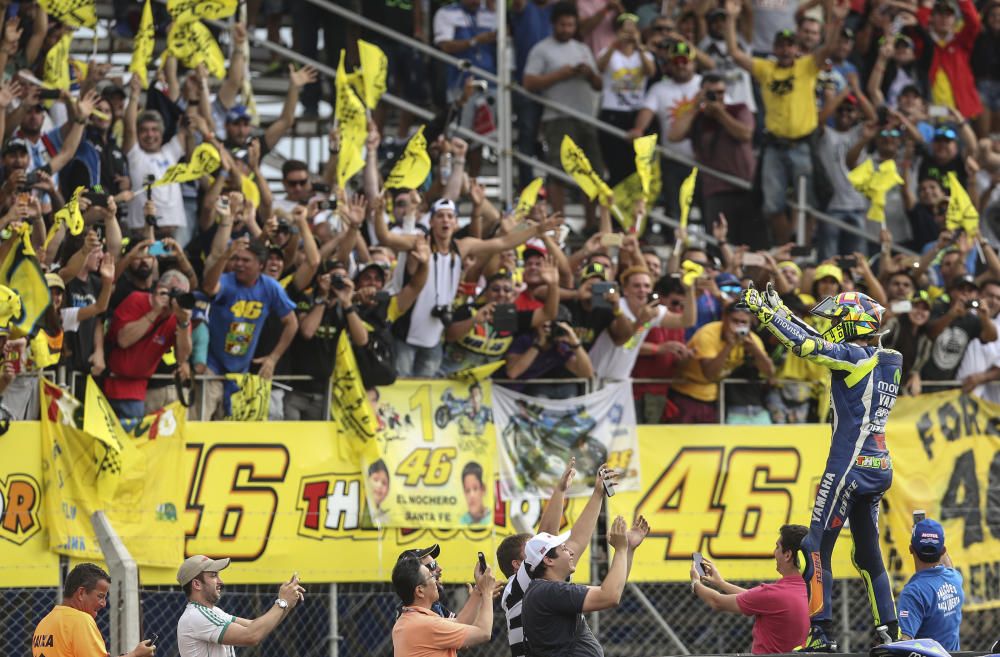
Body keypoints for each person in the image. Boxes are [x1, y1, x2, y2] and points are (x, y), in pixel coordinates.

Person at [742, 284, 902, 649]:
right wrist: (783, 310)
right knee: (867, 554)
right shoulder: (888, 357)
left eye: (835, 318)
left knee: (813, 546)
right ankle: (890, 631)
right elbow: (819, 339)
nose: (830, 323)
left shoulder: (854, 358)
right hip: (879, 465)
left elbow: (808, 346)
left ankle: (820, 634)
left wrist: (767, 317)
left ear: (850, 323)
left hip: (848, 465)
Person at [498, 458, 611, 657]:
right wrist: (561, 491)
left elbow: (567, 541)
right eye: (530, 548)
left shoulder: (536, 584)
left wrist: (591, 493)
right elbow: (548, 535)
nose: (538, 548)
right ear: (517, 565)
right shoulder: (515, 587)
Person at [521, 514, 649, 657]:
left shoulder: (545, 590)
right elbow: (610, 596)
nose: (571, 552)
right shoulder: (547, 591)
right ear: (548, 560)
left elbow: (613, 589)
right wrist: (620, 549)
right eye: (564, 549)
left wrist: (627, 549)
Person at [690, 525, 810, 654]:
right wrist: (721, 583)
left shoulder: (773, 595)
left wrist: (695, 583)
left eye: (777, 547)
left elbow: (717, 602)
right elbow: (754, 598)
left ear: (787, 555)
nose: (774, 552)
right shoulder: (810, 591)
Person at [103, 270, 192, 421]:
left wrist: (183, 323)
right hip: (109, 382)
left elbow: (182, 357)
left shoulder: (179, 318)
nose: (177, 300)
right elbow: (123, 340)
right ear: (161, 289)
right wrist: (155, 312)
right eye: (176, 293)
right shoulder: (136, 300)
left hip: (136, 389)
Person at [176, 554, 305, 656]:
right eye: (214, 575)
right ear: (197, 584)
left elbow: (254, 625)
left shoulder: (212, 611)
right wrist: (282, 602)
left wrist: (287, 604)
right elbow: (251, 635)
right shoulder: (196, 616)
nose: (220, 582)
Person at [32, 563, 155, 657]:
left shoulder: (44, 623)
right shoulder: (80, 620)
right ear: (81, 593)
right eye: (100, 596)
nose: (104, 604)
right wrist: (135, 654)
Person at [391, 555, 495, 657]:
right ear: (420, 591)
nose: (435, 579)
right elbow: (483, 632)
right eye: (431, 576)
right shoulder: (426, 625)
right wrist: (487, 592)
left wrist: (478, 591)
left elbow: (460, 622)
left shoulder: (407, 621)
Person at [897, 518, 964, 651]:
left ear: (911, 549)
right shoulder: (955, 579)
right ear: (943, 550)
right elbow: (948, 566)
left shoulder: (913, 592)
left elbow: (904, 643)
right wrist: (935, 540)